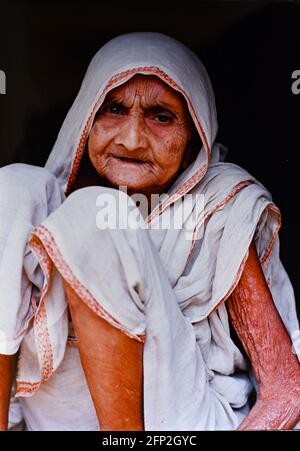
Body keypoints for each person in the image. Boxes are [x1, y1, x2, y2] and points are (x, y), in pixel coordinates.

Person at [0, 32, 299, 431]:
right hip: (55, 420)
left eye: (161, 116)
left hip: (179, 422)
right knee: (13, 188)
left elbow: (287, 390)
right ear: (86, 120)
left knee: (96, 215)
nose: (132, 138)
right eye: (114, 108)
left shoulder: (216, 205)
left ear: (194, 136)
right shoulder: (48, 205)